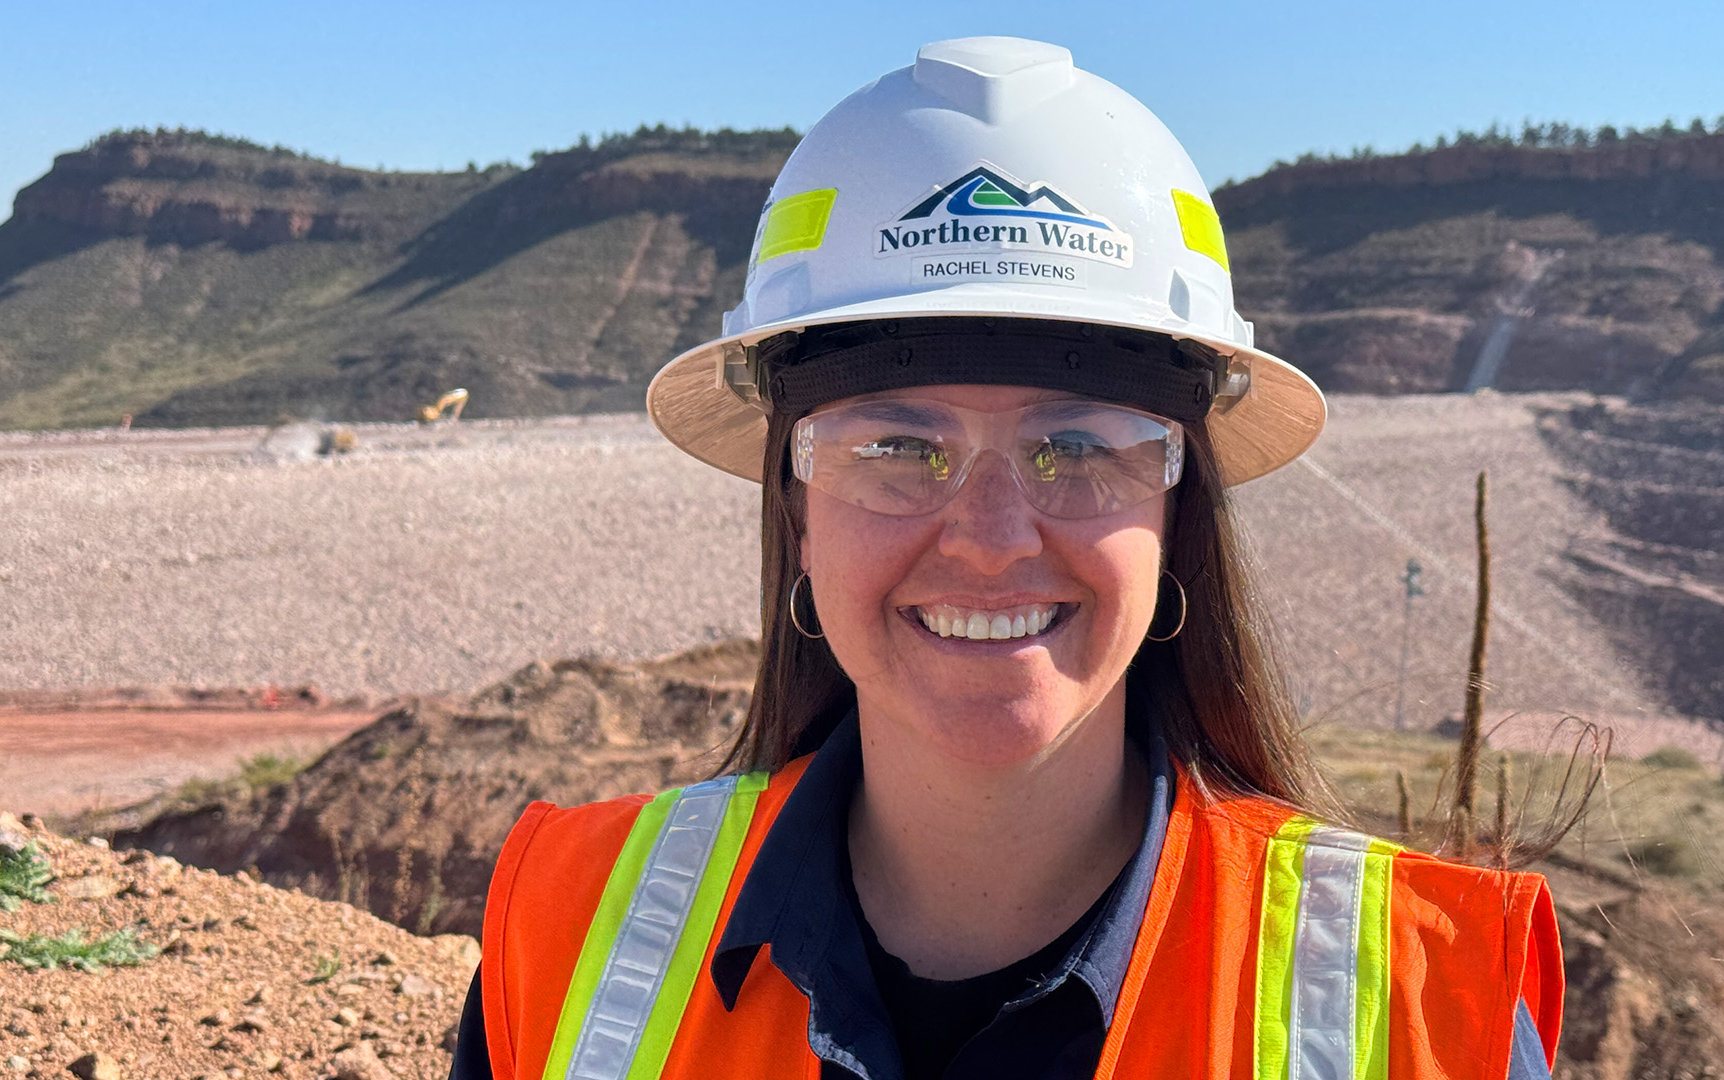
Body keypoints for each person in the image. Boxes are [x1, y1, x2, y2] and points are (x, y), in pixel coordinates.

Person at [449, 36, 1561, 1080]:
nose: (989, 538)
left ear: (1179, 515)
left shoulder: (1429, 1007)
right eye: (896, 447)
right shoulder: (563, 937)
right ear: (796, 508)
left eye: (1077, 447)